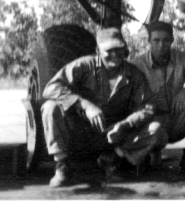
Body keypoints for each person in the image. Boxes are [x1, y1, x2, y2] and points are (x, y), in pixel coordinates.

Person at [41, 28, 161, 187]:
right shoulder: (84, 65)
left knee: (156, 129)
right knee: (50, 107)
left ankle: (112, 159)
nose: (115, 54)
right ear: (98, 51)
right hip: (80, 131)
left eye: (119, 49)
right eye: (109, 50)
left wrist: (125, 125)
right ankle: (62, 166)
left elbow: (148, 107)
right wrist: (83, 104)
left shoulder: (134, 74)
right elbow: (50, 88)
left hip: (112, 134)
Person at [131, 21, 185, 176]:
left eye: (166, 40)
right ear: (148, 41)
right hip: (152, 123)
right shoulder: (137, 64)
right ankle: (145, 154)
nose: (161, 45)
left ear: (172, 40)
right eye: (156, 40)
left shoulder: (182, 59)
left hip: (177, 121)